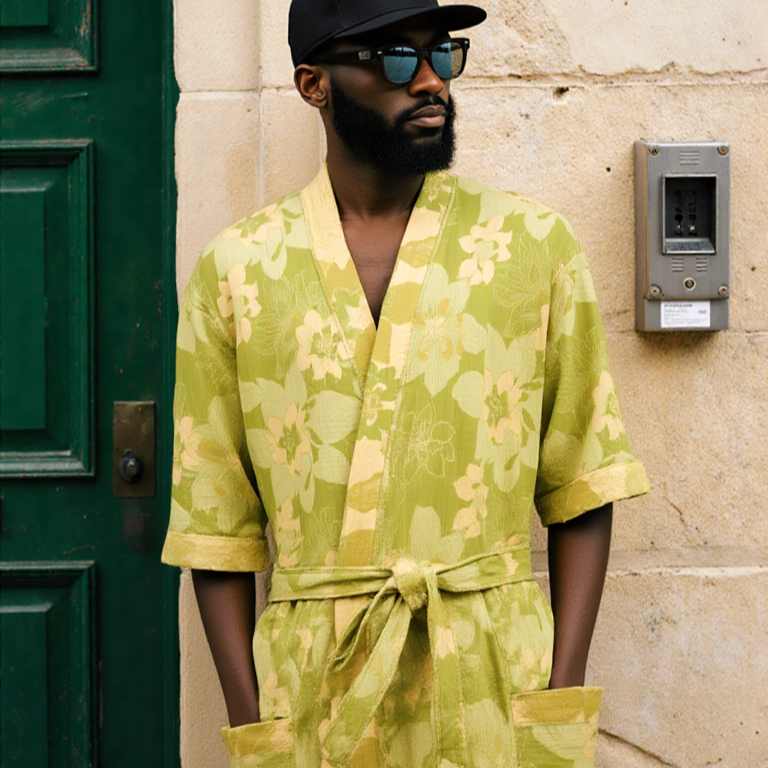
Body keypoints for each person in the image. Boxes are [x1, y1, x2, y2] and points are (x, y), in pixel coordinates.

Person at [161, 0, 650, 765]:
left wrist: (560, 691)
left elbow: (583, 482)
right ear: (312, 83)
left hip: (494, 683)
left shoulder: (532, 247)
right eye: (394, 58)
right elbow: (214, 526)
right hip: (314, 693)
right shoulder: (239, 272)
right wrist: (253, 724)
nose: (430, 81)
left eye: (442, 54)